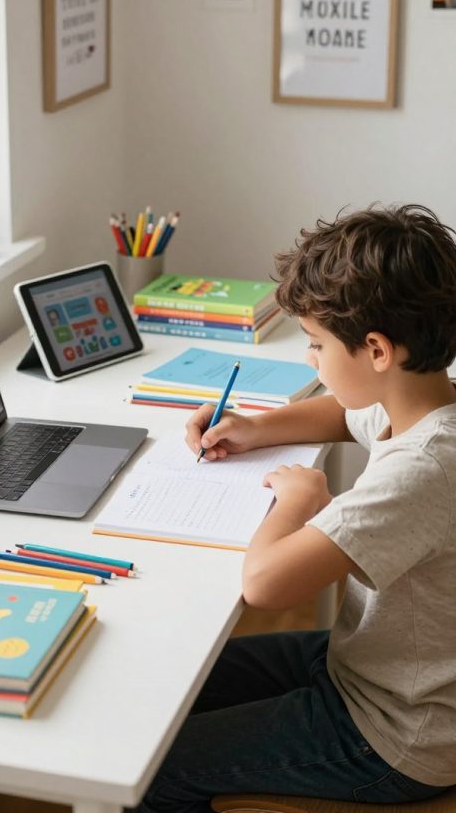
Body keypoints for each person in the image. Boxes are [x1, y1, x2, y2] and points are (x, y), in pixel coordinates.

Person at [130, 204, 456, 812]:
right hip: (364, 672)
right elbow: (346, 411)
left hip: (394, 735)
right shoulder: (426, 403)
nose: (311, 360)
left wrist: (301, 503)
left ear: (378, 350)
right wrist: (256, 428)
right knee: (173, 681)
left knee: (150, 771)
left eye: (316, 345)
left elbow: (264, 584)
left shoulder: (425, 470)